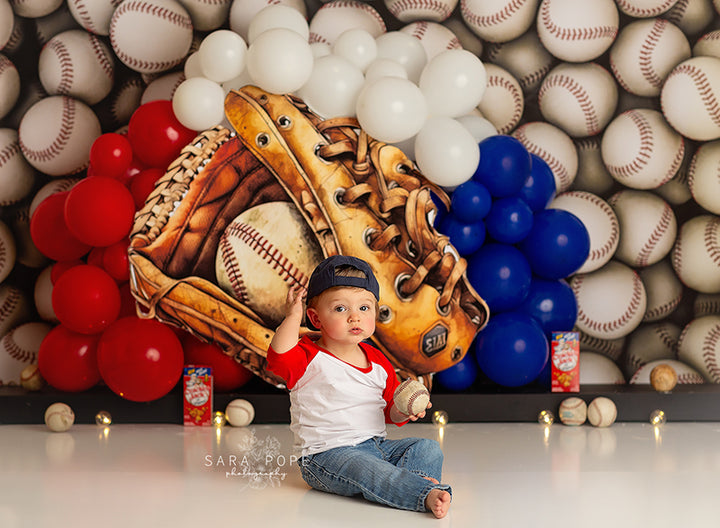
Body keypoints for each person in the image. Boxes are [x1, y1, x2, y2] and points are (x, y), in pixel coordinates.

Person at [267, 255, 452, 519]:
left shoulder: (378, 361)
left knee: (427, 448)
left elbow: (389, 412)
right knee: (365, 468)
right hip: (326, 456)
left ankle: (405, 486)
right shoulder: (307, 356)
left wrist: (404, 411)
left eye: (364, 308)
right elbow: (278, 357)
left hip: (376, 447)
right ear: (315, 318)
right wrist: (292, 318)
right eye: (341, 309)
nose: (355, 317)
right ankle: (422, 493)